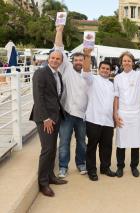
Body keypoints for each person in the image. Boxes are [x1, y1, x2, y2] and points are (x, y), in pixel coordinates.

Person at [29, 50, 67, 197]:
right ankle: (43, 183)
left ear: (61, 61)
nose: (55, 60)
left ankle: (51, 176)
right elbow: (38, 97)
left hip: (55, 117)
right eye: (53, 58)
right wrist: (45, 118)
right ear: (48, 58)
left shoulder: (58, 74)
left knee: (52, 148)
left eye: (58, 58)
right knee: (47, 149)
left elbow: (56, 96)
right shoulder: (41, 73)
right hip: (45, 118)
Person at [54, 25, 88, 178]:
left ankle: (81, 164)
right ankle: (63, 167)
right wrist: (59, 30)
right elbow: (59, 49)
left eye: (81, 60)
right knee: (64, 142)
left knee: (82, 142)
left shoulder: (88, 75)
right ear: (72, 61)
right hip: (67, 113)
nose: (79, 62)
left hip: (82, 116)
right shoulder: (66, 68)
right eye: (77, 59)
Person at [113, 49, 140, 178]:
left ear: (133, 62)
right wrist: (115, 114)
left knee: (135, 142)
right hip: (122, 113)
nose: (127, 62)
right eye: (124, 61)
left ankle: (134, 166)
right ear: (121, 63)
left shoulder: (139, 75)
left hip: (136, 113)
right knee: (121, 142)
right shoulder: (117, 78)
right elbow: (116, 97)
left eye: (129, 60)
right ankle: (120, 166)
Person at [82, 48, 116, 181]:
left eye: (108, 69)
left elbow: (114, 103)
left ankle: (105, 168)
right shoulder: (92, 79)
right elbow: (85, 70)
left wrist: (115, 118)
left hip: (108, 121)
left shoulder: (112, 85)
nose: (105, 70)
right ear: (99, 69)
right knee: (91, 147)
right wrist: (87, 55)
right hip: (93, 119)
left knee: (106, 147)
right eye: (103, 68)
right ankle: (91, 170)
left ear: (110, 71)